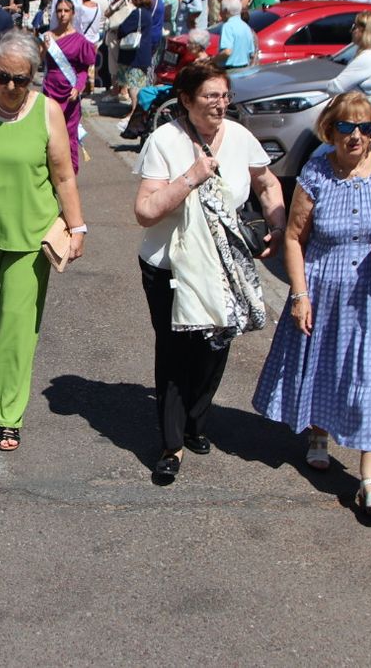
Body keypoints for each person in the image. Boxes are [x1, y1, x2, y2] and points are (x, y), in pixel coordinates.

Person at [253, 92, 371, 513]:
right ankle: (319, 435)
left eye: (365, 127)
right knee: (326, 365)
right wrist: (300, 295)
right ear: (331, 129)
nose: (356, 135)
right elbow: (293, 237)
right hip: (325, 285)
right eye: (346, 126)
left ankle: (370, 480)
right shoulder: (316, 172)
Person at [133, 58, 287, 484]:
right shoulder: (165, 141)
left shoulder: (238, 136)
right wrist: (191, 177)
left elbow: (267, 182)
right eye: (211, 96)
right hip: (170, 267)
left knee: (216, 346)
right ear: (186, 100)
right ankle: (171, 445)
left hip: (224, 266)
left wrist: (276, 223)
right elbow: (145, 211)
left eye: (225, 95)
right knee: (176, 353)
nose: (221, 104)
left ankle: (198, 420)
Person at [0, 29, 86, 450]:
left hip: (31, 235)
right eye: (1, 76)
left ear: (34, 77)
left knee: (17, 325)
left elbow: (63, 175)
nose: (9, 87)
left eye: (20, 79)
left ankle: (7, 412)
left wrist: (77, 226)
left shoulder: (48, 113)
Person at [39, 0, 98, 173]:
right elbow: (40, 61)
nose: (62, 14)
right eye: (59, 11)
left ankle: (70, 172)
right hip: (50, 88)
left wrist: (78, 87)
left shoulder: (79, 40)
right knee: (49, 132)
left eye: (66, 11)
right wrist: (44, 46)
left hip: (69, 93)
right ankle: (50, 169)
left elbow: (83, 69)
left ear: (72, 13)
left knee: (68, 134)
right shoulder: (48, 36)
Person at [325, 11, 371, 108]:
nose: (351, 31)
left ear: (364, 32)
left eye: (355, 27)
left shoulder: (368, 58)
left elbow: (336, 88)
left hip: (360, 114)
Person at [216, 0, 257, 71]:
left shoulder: (227, 26)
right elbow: (251, 52)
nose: (220, 13)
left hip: (230, 70)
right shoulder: (246, 27)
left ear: (226, 11)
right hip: (245, 69)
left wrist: (213, 60)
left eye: (220, 10)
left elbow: (227, 52)